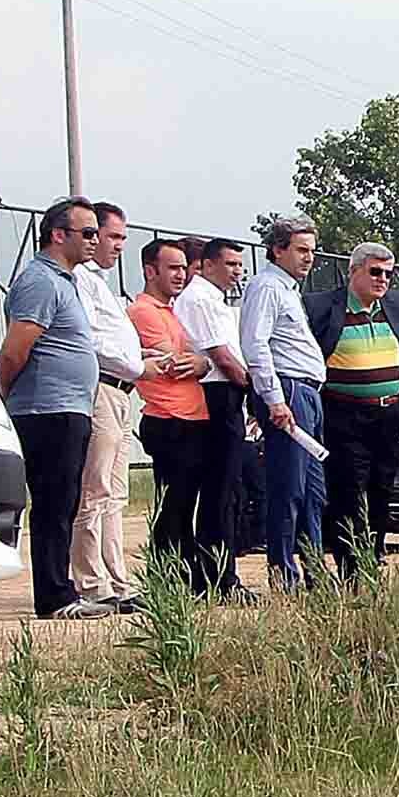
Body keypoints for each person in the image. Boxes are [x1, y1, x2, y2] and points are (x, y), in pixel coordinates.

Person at [0, 198, 113, 619]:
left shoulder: (64, 282)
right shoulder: (41, 282)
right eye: (87, 233)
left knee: (64, 501)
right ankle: (54, 596)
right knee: (53, 502)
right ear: (58, 235)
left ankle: (60, 588)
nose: (95, 240)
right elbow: (13, 352)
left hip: (66, 408)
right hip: (47, 410)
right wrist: (6, 391)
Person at [304, 242, 399, 572]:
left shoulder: (395, 303)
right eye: (375, 272)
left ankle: (372, 558)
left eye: (389, 274)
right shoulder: (321, 306)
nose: (383, 279)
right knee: (349, 491)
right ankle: (351, 567)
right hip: (343, 413)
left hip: (388, 414)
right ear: (354, 271)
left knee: (382, 488)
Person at [126, 239, 225, 593]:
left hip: (191, 417)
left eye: (184, 267)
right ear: (150, 271)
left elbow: (199, 360)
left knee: (184, 506)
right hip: (168, 418)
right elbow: (175, 363)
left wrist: (201, 361)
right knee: (174, 505)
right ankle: (166, 577)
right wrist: (197, 361)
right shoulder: (144, 311)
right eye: (173, 268)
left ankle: (183, 575)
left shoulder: (173, 311)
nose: (181, 275)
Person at [240, 216, 328, 590]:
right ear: (278, 250)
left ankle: (313, 568)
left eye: (311, 251)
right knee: (288, 486)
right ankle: (283, 571)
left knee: (312, 489)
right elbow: (255, 345)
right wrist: (275, 399)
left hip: (308, 391)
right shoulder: (267, 287)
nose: (308, 258)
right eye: (301, 250)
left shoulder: (289, 289)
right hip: (289, 390)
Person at [70, 202, 148, 610]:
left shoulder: (101, 283)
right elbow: (87, 339)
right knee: (95, 489)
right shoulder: (80, 280)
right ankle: (90, 581)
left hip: (121, 390)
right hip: (100, 386)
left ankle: (116, 579)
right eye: (113, 236)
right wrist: (136, 362)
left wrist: (140, 360)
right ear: (92, 235)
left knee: (115, 491)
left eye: (122, 237)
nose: (119, 245)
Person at [175, 238, 258, 599]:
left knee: (226, 491)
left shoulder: (216, 300)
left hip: (226, 395)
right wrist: (255, 388)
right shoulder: (199, 299)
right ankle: (218, 578)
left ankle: (218, 573)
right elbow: (222, 357)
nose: (237, 271)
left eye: (240, 265)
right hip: (217, 395)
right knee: (219, 492)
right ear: (207, 265)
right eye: (229, 264)